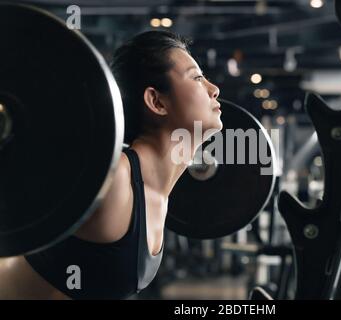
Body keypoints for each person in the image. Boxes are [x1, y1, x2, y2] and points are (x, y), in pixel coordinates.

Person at [0, 30, 222, 299]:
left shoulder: (155, 194)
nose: (214, 89)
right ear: (156, 101)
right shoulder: (114, 178)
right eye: (197, 78)